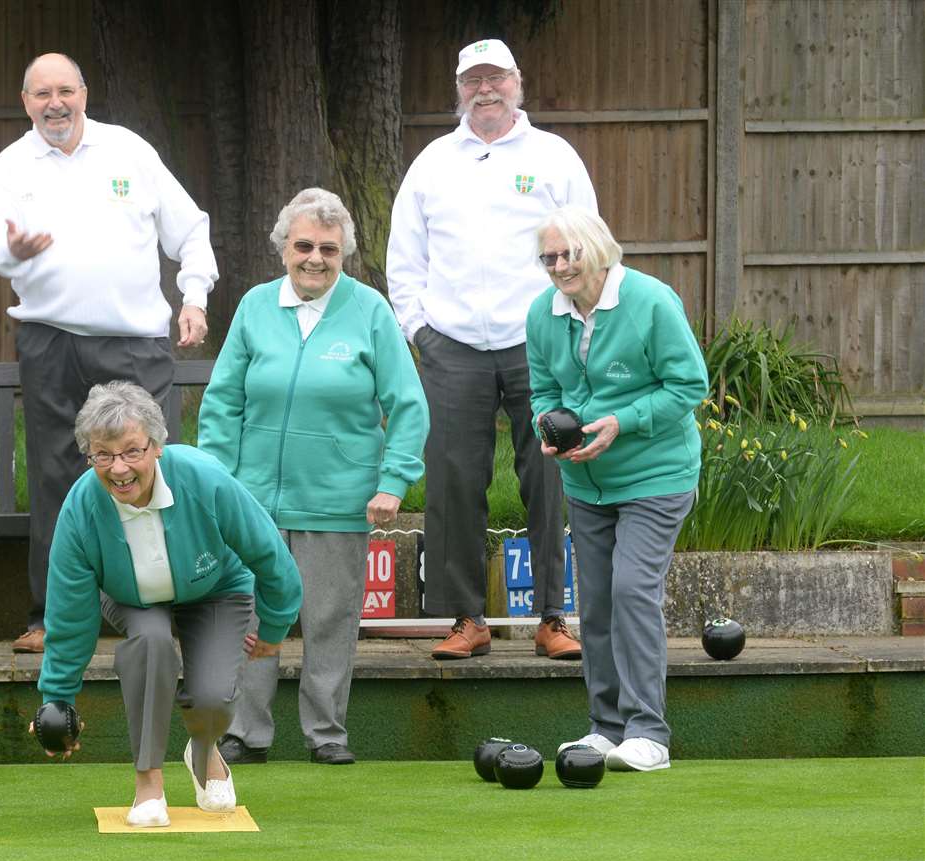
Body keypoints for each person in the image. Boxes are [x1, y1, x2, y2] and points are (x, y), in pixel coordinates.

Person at [0, 52, 218, 655]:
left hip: (133, 343)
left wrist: (194, 297)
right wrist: (15, 252)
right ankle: (54, 616)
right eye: (40, 94)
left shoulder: (129, 151)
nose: (54, 104)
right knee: (57, 479)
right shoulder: (12, 164)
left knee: (150, 472)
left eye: (65, 91)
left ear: (85, 92)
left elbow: (190, 230)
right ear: (25, 101)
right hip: (49, 340)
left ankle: (168, 607)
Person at [200, 188, 429, 766]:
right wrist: (219, 482)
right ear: (283, 248)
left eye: (329, 248)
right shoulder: (255, 306)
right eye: (303, 245)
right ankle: (245, 732)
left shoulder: (370, 310)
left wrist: (394, 481)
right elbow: (223, 401)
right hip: (252, 504)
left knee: (329, 620)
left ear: (343, 253)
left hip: (339, 499)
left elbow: (408, 404)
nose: (315, 258)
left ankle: (326, 734)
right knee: (250, 619)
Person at [386, 38, 596, 663]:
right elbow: (406, 259)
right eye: (473, 79)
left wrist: (571, 325)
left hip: (539, 345)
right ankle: (465, 618)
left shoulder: (554, 157)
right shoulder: (431, 163)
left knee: (550, 476)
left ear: (517, 83)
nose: (485, 90)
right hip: (451, 347)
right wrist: (419, 330)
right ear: (459, 89)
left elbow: (587, 243)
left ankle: (554, 616)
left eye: (496, 78)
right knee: (453, 480)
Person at [37, 382, 302, 826]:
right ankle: (148, 782)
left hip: (216, 585)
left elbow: (270, 556)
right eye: (102, 455)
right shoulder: (81, 508)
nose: (118, 468)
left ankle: (203, 748)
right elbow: (69, 611)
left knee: (213, 696)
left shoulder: (205, 478)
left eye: (131, 452)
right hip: (132, 595)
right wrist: (56, 700)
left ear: (157, 446)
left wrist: (274, 628)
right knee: (152, 642)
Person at [527, 206, 707, 772]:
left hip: (656, 475)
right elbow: (540, 390)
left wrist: (620, 422)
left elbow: (689, 385)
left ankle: (649, 733)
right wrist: (547, 426)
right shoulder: (542, 314)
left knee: (632, 590)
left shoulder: (651, 301)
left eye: (568, 254)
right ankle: (606, 728)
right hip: (585, 483)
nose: (558, 267)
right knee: (597, 603)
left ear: (598, 249)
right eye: (548, 257)